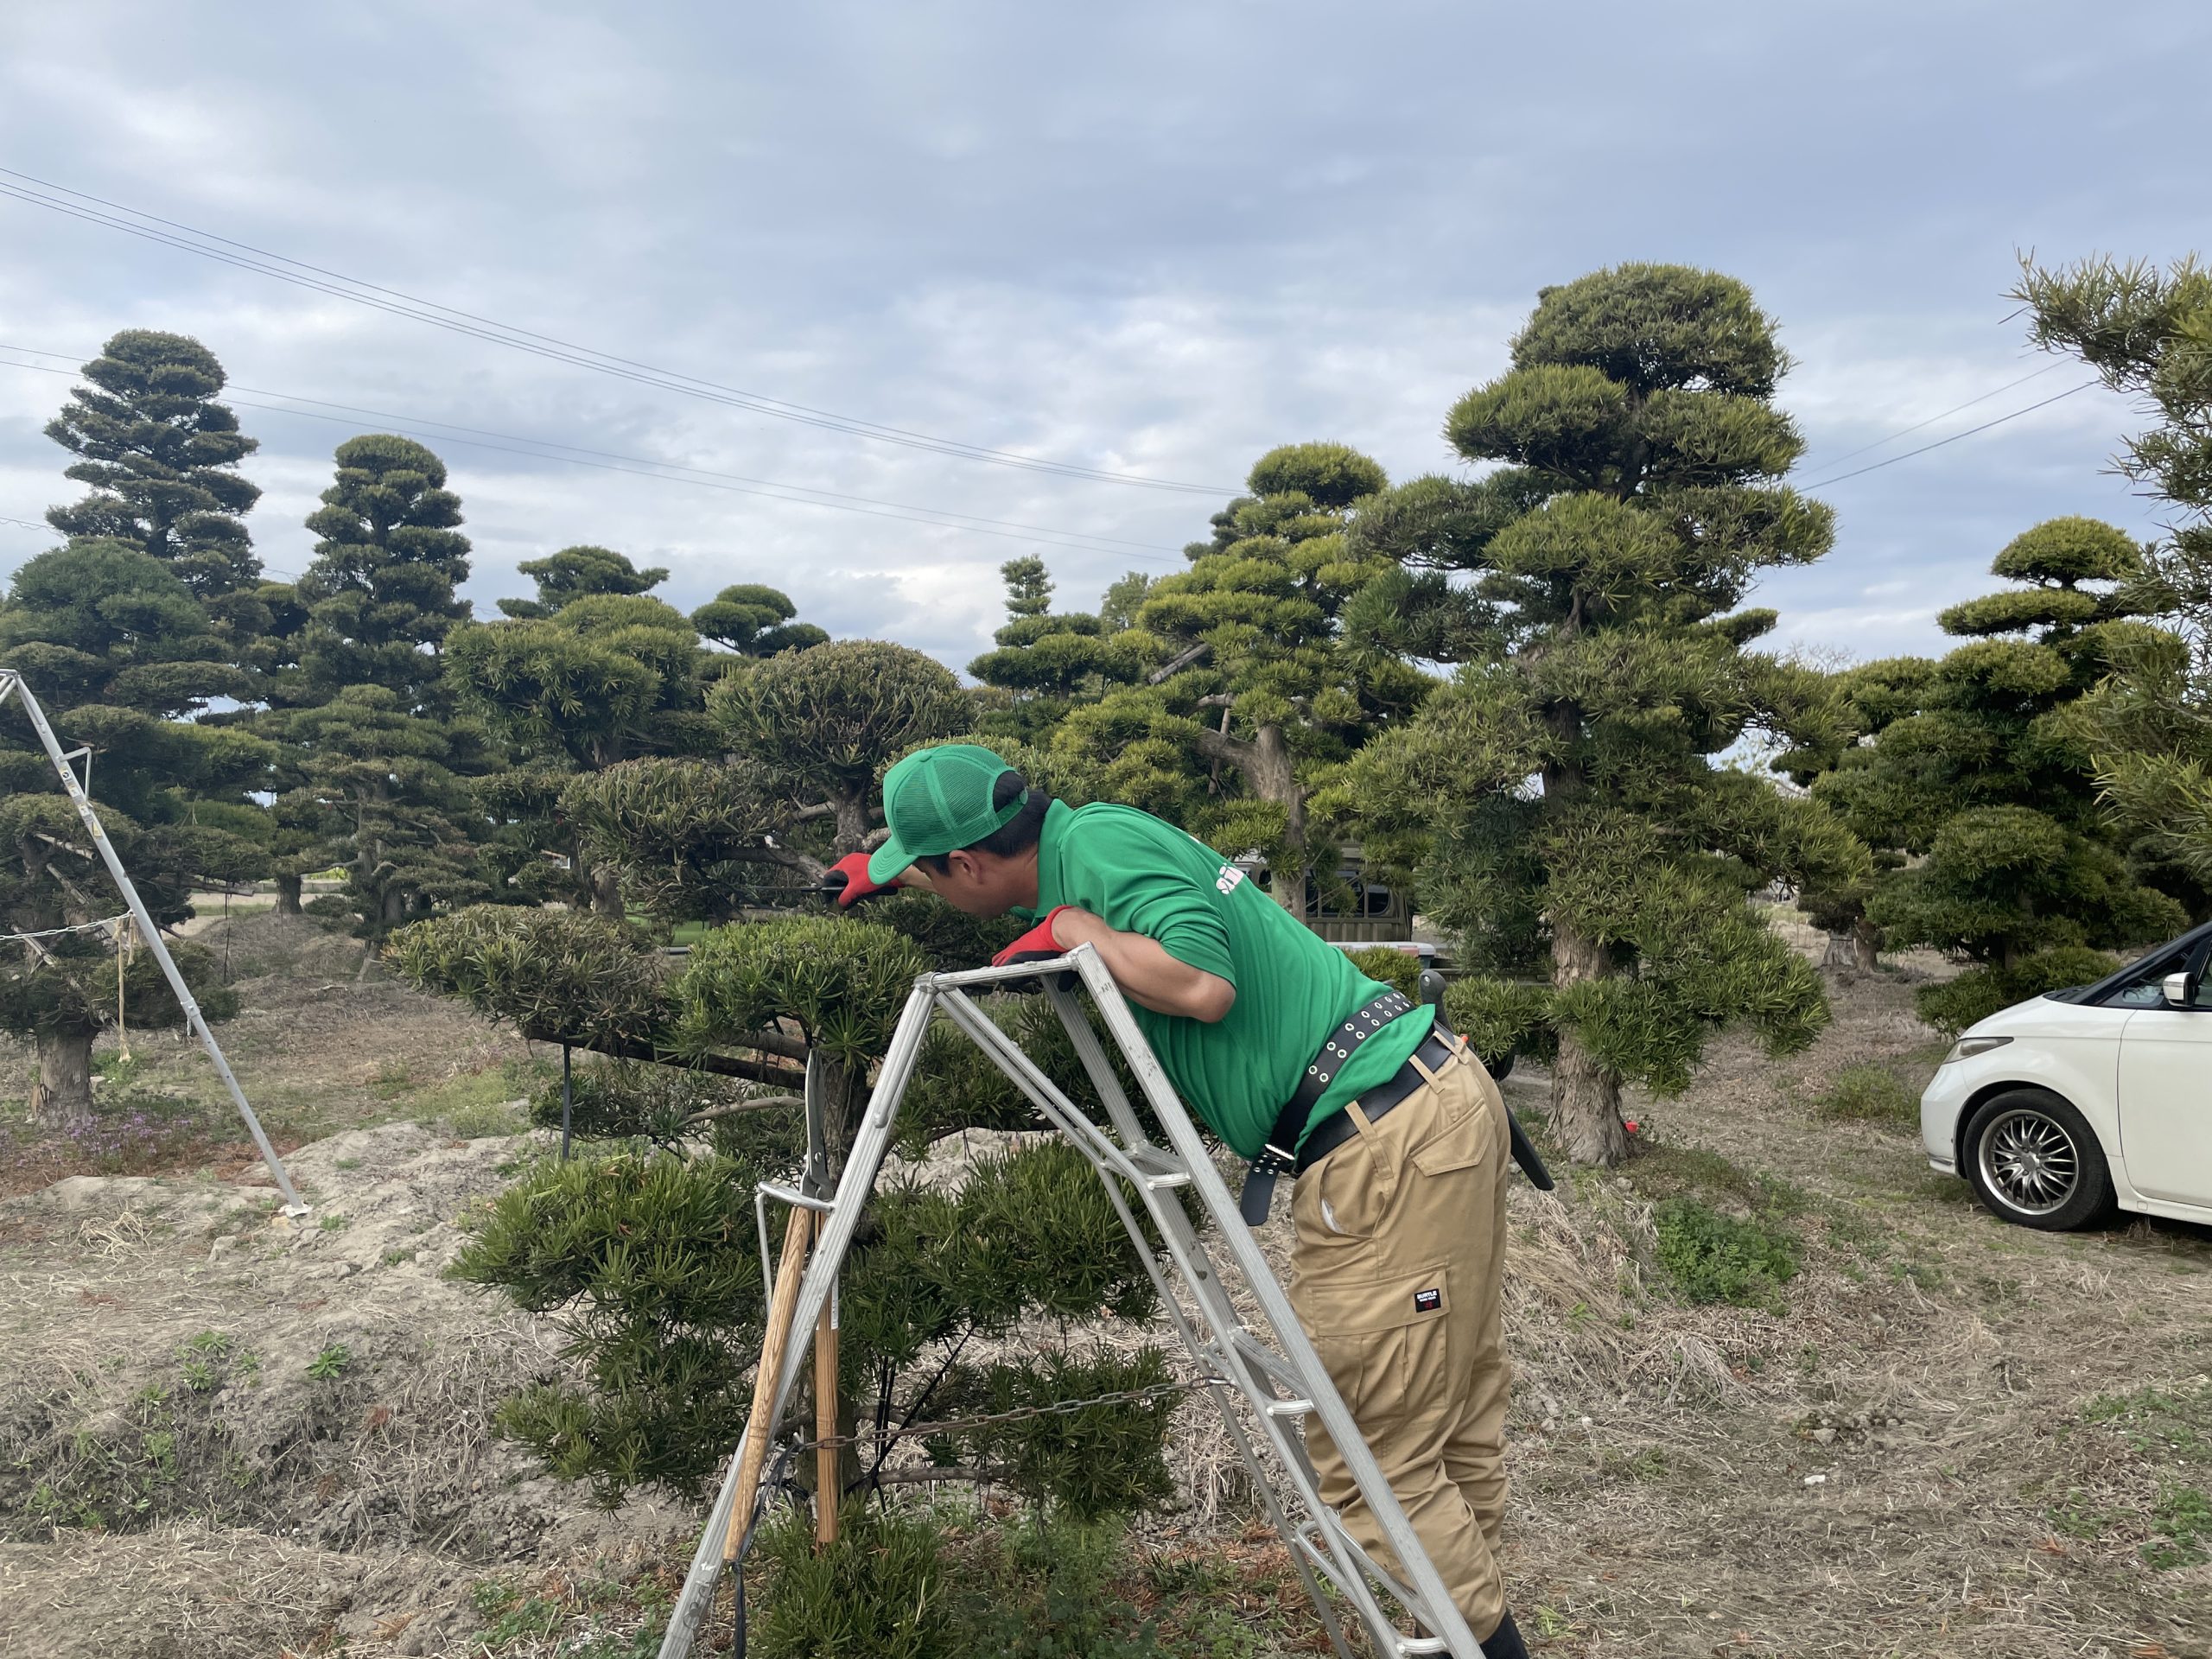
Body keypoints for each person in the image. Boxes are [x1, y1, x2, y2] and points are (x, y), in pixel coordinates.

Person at [827, 742, 1526, 1659]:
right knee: (1446, 1415)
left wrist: (1081, 935)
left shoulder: (1098, 866)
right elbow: (1001, 879)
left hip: (1379, 1142)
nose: (923, 885)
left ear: (968, 863)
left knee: (1372, 1459)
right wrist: (896, 876)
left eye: (923, 871)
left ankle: (1480, 1644)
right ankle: (1467, 1614)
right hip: (1424, 1101)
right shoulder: (1090, 835)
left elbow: (1201, 985)